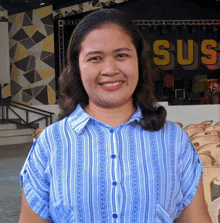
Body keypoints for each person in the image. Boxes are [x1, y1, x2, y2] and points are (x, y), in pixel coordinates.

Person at [18, 8, 212, 223]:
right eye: (95, 58)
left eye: (121, 55)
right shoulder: (51, 143)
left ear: (138, 61)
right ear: (77, 67)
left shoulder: (174, 141)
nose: (109, 69)